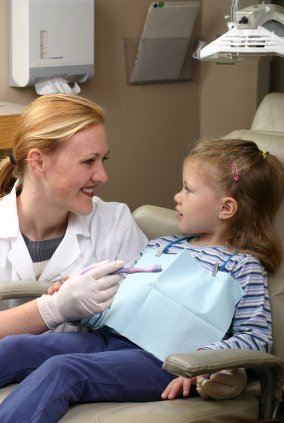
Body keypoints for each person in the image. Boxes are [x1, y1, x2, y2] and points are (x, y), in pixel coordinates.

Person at [0, 138, 283, 422]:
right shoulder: (164, 246)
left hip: (164, 363)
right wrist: (82, 305)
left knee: (63, 370)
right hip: (109, 340)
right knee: (15, 347)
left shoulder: (242, 266)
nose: (177, 197)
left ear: (226, 208)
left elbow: (255, 338)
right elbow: (121, 305)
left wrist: (203, 361)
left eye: (188, 189)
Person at [0, 93, 147, 336]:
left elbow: (147, 320)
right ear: (38, 162)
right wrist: (54, 309)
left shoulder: (114, 224)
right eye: (89, 161)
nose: (102, 175)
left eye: (103, 159)